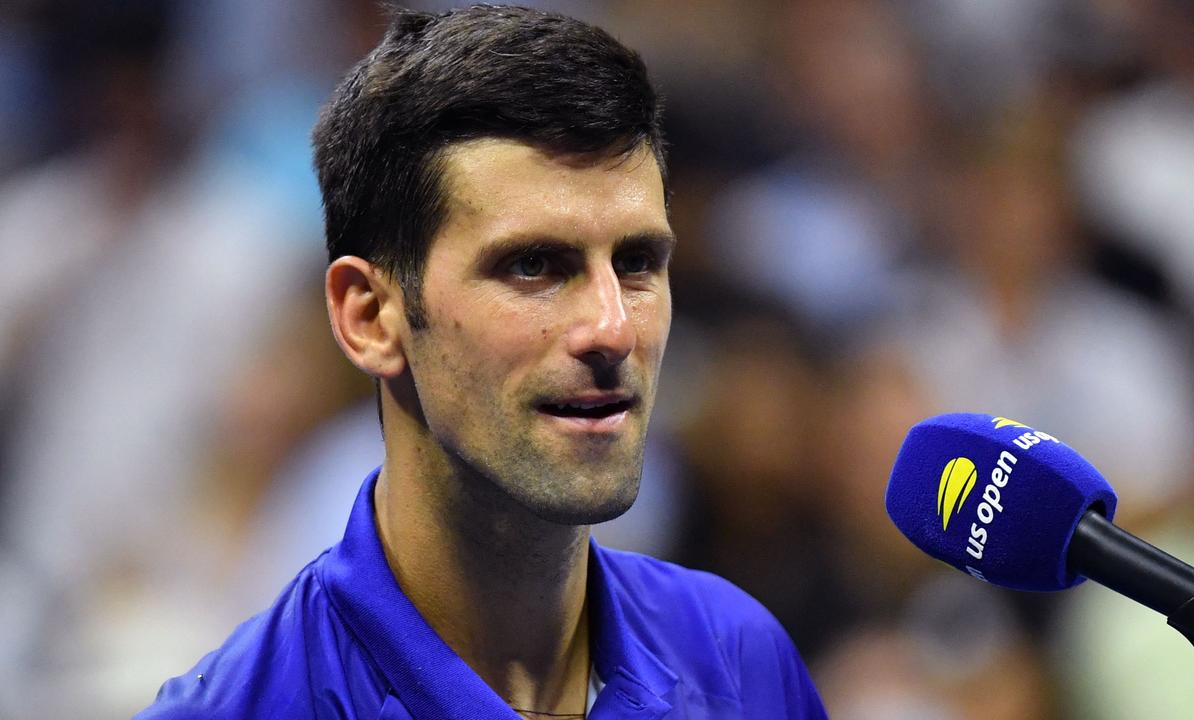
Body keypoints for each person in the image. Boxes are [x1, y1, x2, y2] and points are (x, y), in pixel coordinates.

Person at [136, 6, 827, 719]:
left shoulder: (741, 662)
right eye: (533, 265)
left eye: (637, 261)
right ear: (369, 317)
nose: (613, 328)